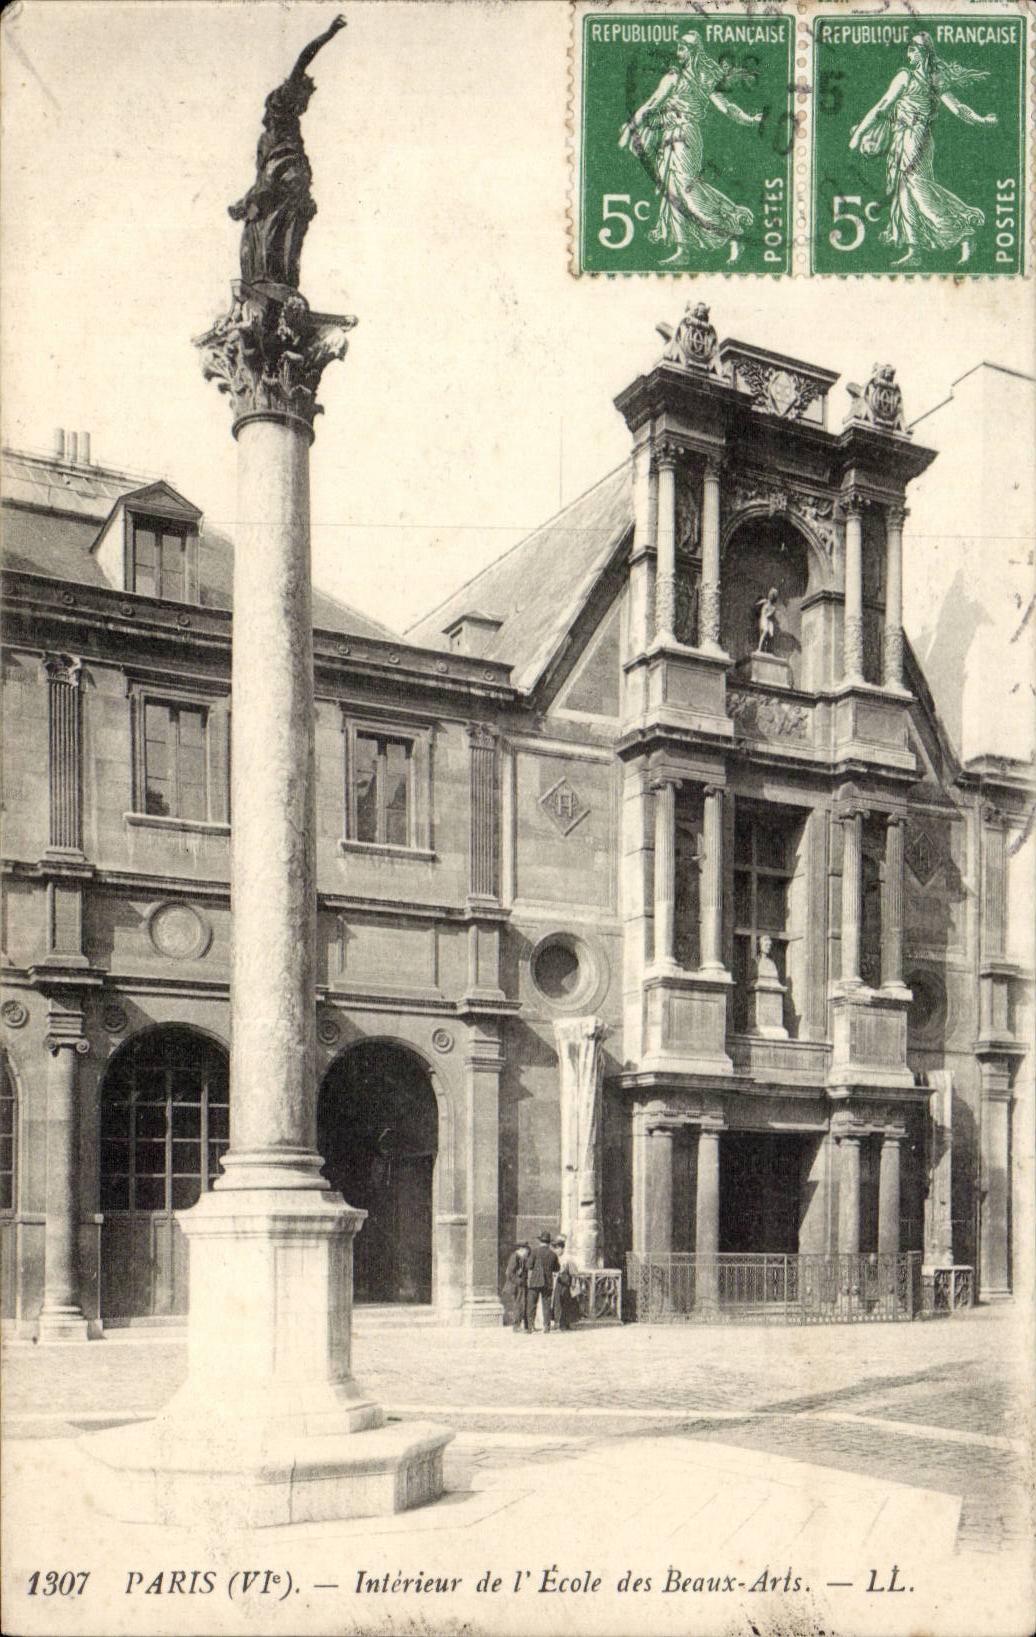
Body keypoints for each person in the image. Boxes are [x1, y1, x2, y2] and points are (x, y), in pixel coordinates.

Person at [848, 32, 997, 268]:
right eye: (908, 49)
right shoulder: (907, 77)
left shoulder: (930, 80)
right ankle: (914, 249)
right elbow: (883, 106)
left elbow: (958, 108)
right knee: (904, 191)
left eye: (913, 49)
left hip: (916, 138)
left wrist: (981, 120)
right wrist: (860, 133)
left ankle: (962, 230)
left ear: (924, 52)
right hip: (902, 137)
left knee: (916, 186)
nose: (909, 53)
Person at [619, 30, 762, 266]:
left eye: (684, 48)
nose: (679, 52)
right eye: (678, 47)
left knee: (687, 189)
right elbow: (651, 104)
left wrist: (749, 119)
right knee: (672, 191)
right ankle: (683, 248)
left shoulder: (704, 78)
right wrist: (631, 127)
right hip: (668, 136)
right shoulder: (672, 77)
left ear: (695, 52)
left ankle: (733, 230)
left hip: (686, 135)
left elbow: (725, 106)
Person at [229, 15, 347, 289]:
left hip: (285, 176)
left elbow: (262, 177)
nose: (306, 103)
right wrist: (329, 33)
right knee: (275, 224)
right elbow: (304, 58)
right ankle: (272, 277)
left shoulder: (271, 135)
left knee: (285, 224)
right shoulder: (284, 103)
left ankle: (277, 277)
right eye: (305, 97)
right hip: (285, 174)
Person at [525, 1230, 559, 1334]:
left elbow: (528, 1266)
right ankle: (546, 1327)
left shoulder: (535, 1252)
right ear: (549, 1242)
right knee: (546, 1305)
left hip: (535, 1282)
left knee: (531, 1304)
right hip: (548, 1282)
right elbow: (557, 1268)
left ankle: (530, 1327)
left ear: (540, 1241)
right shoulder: (553, 1254)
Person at [551, 1237, 580, 1332]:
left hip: (565, 1284)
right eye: (555, 1248)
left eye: (557, 1248)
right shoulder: (555, 1257)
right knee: (557, 1303)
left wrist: (573, 1284)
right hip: (557, 1283)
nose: (556, 1250)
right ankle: (558, 1322)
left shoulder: (567, 1259)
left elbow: (574, 1273)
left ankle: (564, 1323)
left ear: (562, 1248)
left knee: (565, 1304)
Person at [502, 1241, 530, 1332]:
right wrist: (519, 1281)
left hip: (520, 1285)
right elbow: (509, 1273)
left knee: (521, 1304)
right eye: (526, 1249)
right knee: (518, 1305)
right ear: (521, 1249)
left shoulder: (521, 1258)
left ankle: (520, 1325)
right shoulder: (515, 1257)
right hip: (516, 1286)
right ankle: (516, 1326)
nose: (528, 1252)